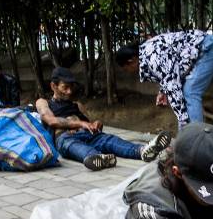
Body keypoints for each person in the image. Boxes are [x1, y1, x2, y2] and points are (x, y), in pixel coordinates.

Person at [35, 66, 171, 171]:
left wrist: (96, 124)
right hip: (65, 138)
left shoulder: (77, 105)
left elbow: (89, 123)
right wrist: (81, 123)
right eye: (65, 87)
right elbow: (51, 121)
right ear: (53, 86)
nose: (69, 91)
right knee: (72, 145)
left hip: (89, 135)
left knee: (109, 140)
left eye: (71, 87)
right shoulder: (43, 102)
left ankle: (143, 150)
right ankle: (96, 158)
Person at [114, 30, 213, 128]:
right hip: (203, 49)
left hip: (208, 48)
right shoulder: (147, 53)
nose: (128, 72)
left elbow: (173, 86)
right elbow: (170, 72)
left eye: (126, 69)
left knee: (190, 92)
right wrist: (163, 91)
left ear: (131, 61)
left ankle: (195, 138)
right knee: (186, 94)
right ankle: (190, 137)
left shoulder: (151, 58)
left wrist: (183, 121)